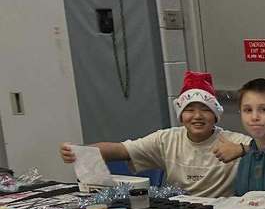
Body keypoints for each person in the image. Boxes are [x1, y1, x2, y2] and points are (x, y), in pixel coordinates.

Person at [59, 71, 249, 197]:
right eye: (190, 110)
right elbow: (119, 150)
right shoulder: (166, 139)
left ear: (216, 116)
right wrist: (79, 150)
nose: (197, 116)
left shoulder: (231, 141)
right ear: (181, 115)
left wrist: (242, 150)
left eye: (205, 110)